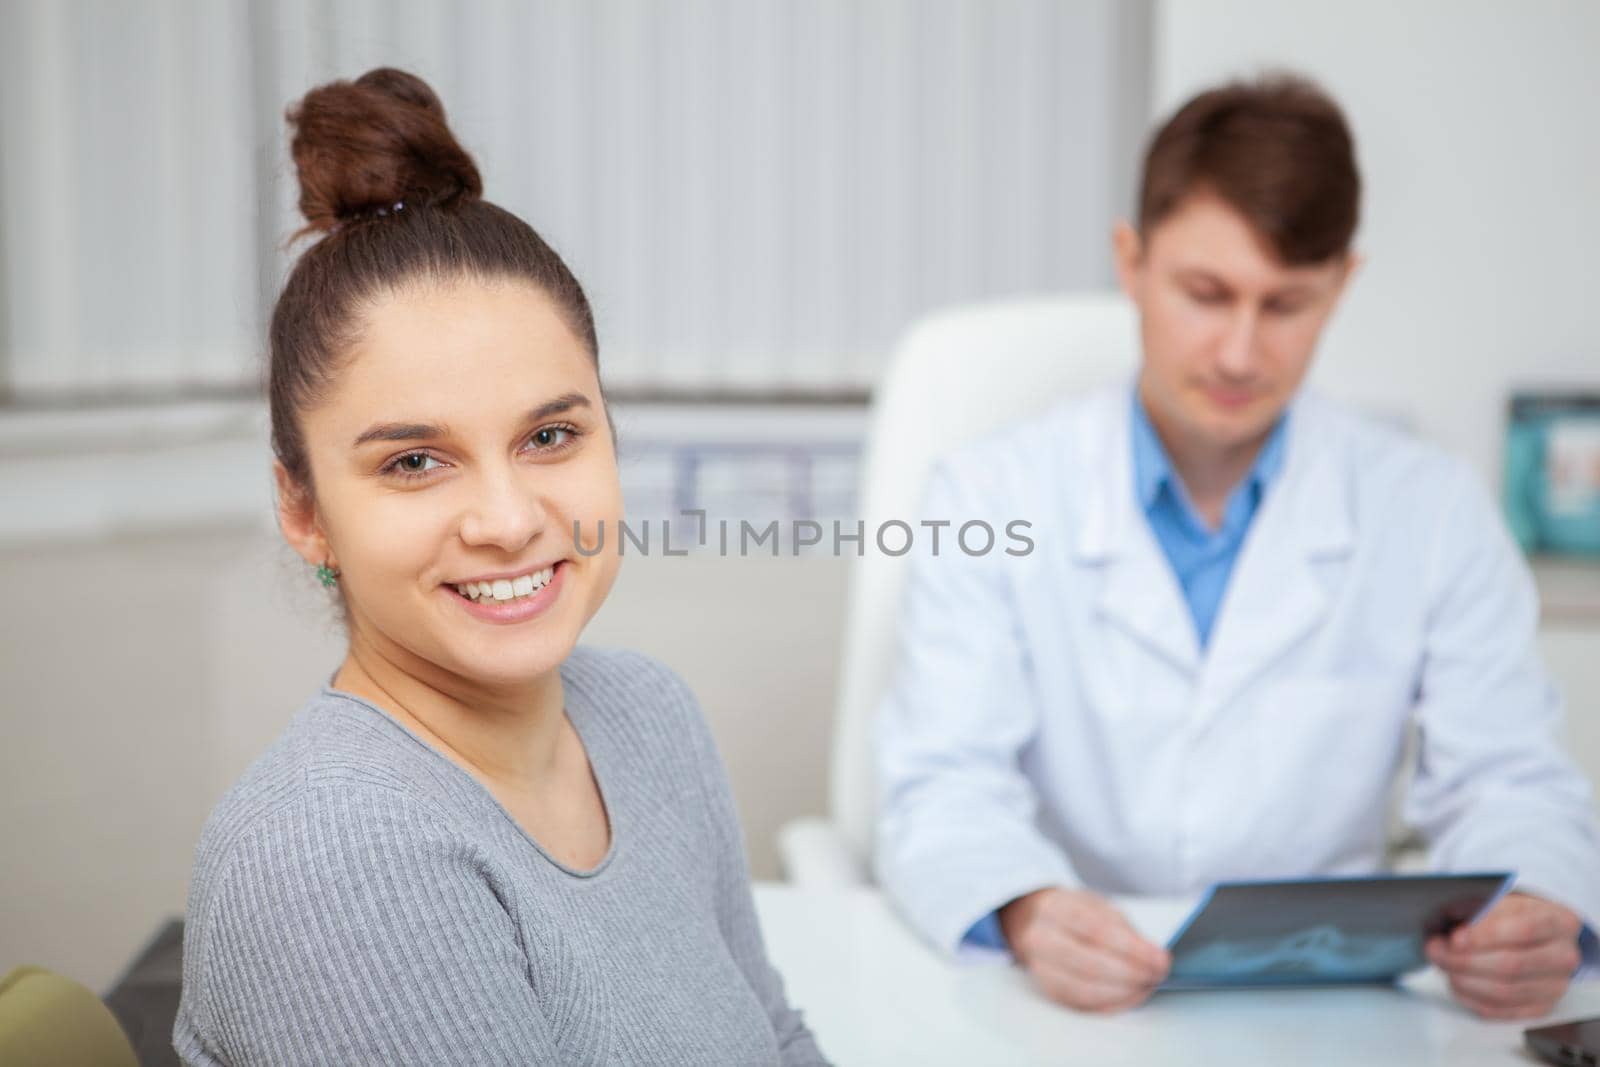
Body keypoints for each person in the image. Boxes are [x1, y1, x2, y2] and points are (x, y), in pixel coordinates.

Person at [873, 73, 1600, 1020]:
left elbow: (1507, 776)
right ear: (1130, 262)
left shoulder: (1430, 508)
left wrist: (1538, 908)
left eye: (1286, 304)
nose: (1239, 354)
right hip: (1063, 1010)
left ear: (1343, 285)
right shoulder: (988, 494)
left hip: (1338, 1012)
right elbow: (942, 782)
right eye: (1206, 294)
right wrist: (1026, 905)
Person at [174, 68, 826, 1066]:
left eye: (550, 435)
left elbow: (771, 1037)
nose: (510, 519)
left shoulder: (648, 713)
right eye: (414, 461)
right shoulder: (332, 859)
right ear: (306, 513)